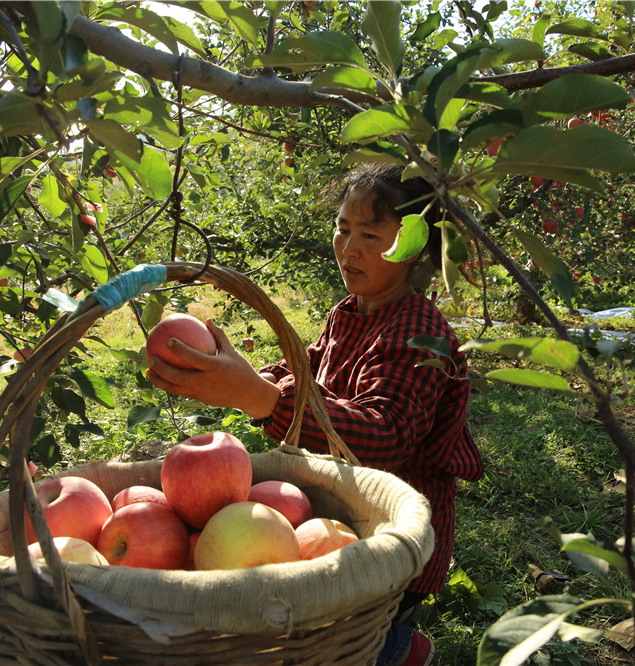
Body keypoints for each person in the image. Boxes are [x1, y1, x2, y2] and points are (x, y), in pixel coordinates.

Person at [146, 162, 485, 666]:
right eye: (343, 228)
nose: (349, 248)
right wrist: (236, 376)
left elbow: (383, 436)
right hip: (339, 519)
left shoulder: (421, 335)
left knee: (369, 634)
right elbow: (305, 367)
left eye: (371, 234)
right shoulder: (352, 310)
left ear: (416, 244)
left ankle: (400, 650)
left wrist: (260, 397)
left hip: (393, 542)